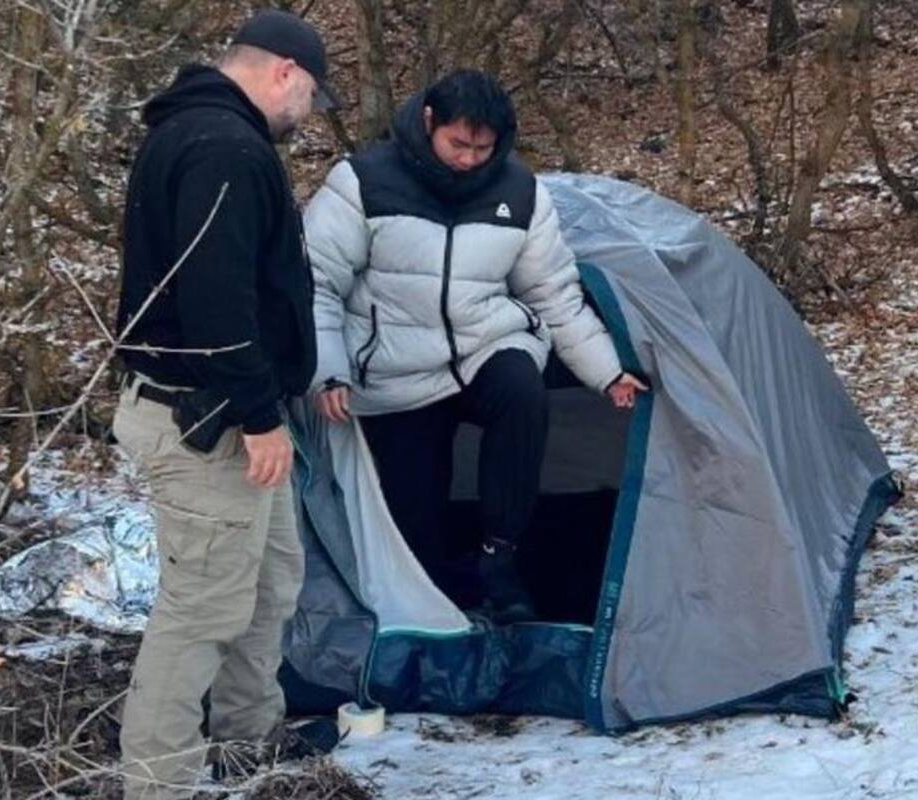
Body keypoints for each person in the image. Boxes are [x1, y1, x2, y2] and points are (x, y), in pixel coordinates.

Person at [305, 69, 647, 623]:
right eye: (458, 144)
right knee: (416, 525)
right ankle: (436, 594)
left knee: (522, 391)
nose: (468, 159)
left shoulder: (520, 192)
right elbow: (317, 281)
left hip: (484, 345)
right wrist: (329, 370)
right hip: (395, 366)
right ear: (429, 122)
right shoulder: (363, 183)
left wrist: (607, 371)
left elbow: (552, 292)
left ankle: (499, 555)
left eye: (482, 149)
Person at [111, 9, 339, 798]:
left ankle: (247, 738)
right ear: (285, 72)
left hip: (227, 410)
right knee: (202, 609)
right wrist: (260, 416)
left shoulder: (202, 133)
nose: (306, 115)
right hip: (205, 418)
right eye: (311, 97)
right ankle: (158, 784)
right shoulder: (225, 149)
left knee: (271, 580)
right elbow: (216, 301)